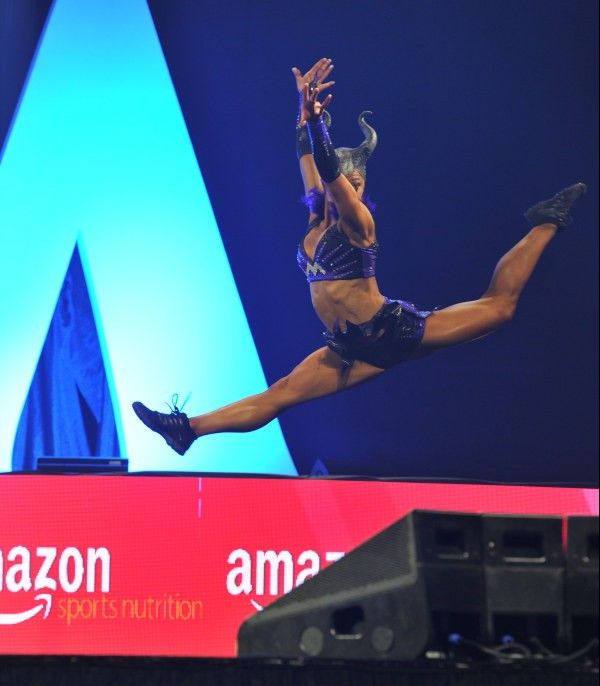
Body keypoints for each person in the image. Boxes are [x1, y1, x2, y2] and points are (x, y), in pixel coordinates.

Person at [132, 58, 586, 456]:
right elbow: (309, 159)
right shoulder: (315, 219)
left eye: (357, 185)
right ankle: (186, 429)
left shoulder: (358, 224)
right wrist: (303, 113)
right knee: (280, 394)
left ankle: (546, 221)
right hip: (350, 349)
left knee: (499, 308)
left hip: (395, 331)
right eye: (347, 184)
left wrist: (317, 125)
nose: (352, 190)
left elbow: (327, 168)